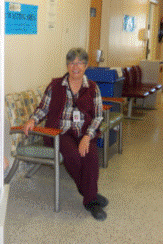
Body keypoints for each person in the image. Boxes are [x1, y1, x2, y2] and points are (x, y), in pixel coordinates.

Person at [23, 48, 108, 221]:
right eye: (71, 62)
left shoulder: (93, 88)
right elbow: (43, 108)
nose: (75, 66)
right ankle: (90, 198)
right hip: (59, 132)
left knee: (91, 158)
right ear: (67, 65)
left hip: (84, 132)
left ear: (86, 65)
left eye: (79, 62)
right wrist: (32, 120)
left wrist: (87, 136)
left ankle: (88, 194)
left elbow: (99, 115)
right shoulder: (56, 85)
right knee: (73, 155)